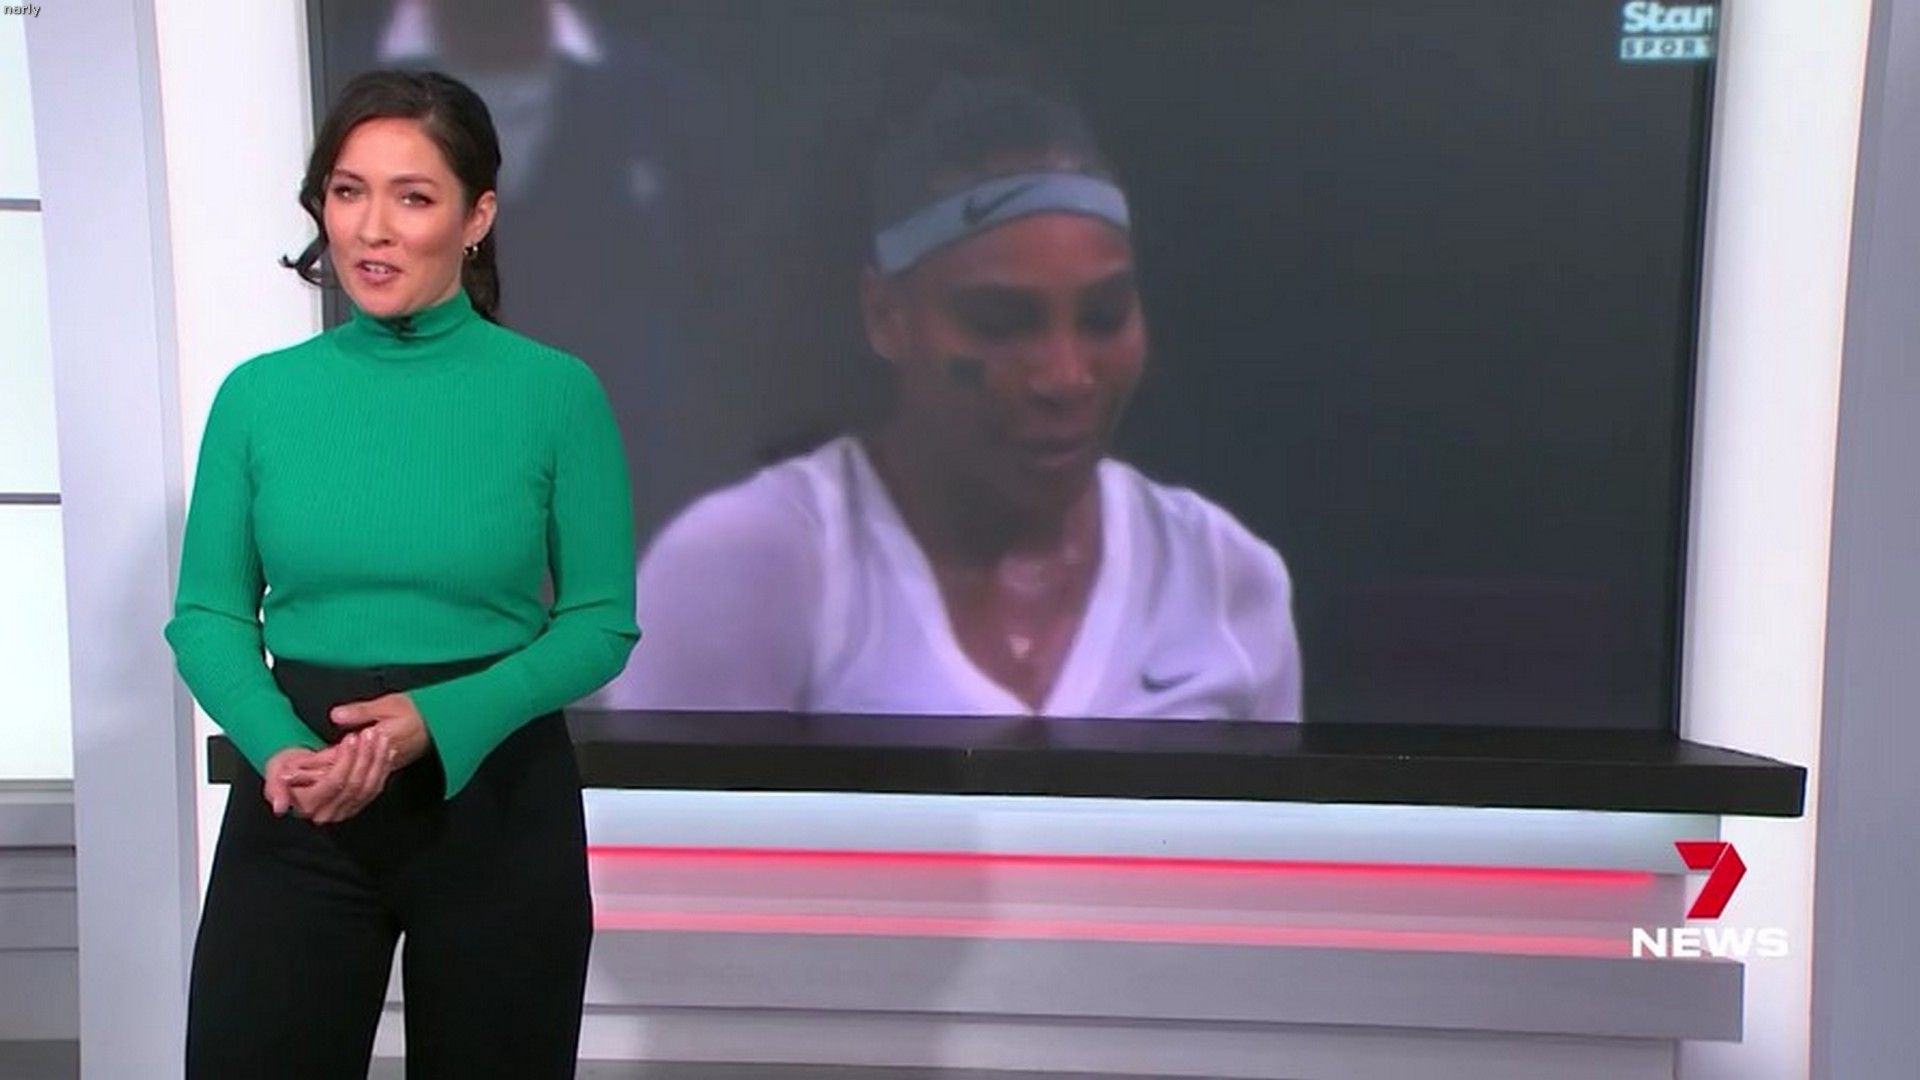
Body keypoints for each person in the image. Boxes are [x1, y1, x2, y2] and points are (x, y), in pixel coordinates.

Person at [165, 70, 637, 1078]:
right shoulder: (259, 397)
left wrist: (435, 721)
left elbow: (600, 622)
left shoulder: (555, 395)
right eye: (348, 191)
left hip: (497, 799)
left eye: (412, 197)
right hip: (299, 795)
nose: (371, 229)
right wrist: (280, 749)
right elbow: (206, 613)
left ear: (477, 218)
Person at [592, 64, 1300, 721]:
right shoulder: (751, 567)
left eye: (1104, 317)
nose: (1065, 376)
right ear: (885, 315)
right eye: (1001, 322)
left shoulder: (1224, 578)